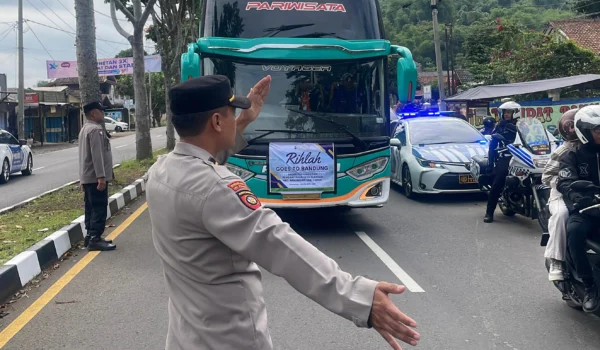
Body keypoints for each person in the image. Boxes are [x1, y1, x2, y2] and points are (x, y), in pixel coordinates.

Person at [146, 75, 420, 350]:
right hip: (229, 340)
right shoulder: (218, 188)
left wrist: (242, 122)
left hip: (187, 337)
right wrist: (360, 298)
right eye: (232, 114)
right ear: (217, 122)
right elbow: (282, 247)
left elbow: (201, 162)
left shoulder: (160, 173)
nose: (236, 117)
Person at [557, 105, 600, 313]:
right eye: (597, 130)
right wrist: (578, 197)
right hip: (587, 209)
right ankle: (590, 286)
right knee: (574, 232)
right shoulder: (572, 156)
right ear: (584, 132)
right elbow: (564, 182)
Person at [542, 109, 580, 282]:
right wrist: (566, 180)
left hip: (589, 191)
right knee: (561, 215)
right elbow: (547, 177)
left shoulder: (593, 148)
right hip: (561, 193)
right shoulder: (563, 151)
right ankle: (556, 260)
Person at [78, 101, 115, 251]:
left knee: (90, 208)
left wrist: (82, 179)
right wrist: (101, 176)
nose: (103, 113)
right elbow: (96, 155)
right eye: (101, 111)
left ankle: (90, 237)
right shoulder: (95, 130)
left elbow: (82, 157)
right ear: (93, 113)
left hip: (87, 177)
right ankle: (95, 239)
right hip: (95, 177)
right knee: (99, 207)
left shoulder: (85, 129)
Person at [484, 101, 521, 223]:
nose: (506, 114)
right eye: (505, 112)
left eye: (509, 112)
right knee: (499, 180)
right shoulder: (500, 126)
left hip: (523, 156)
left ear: (515, 113)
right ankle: (489, 212)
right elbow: (492, 145)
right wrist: (490, 163)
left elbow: (533, 136)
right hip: (506, 156)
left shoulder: (523, 125)